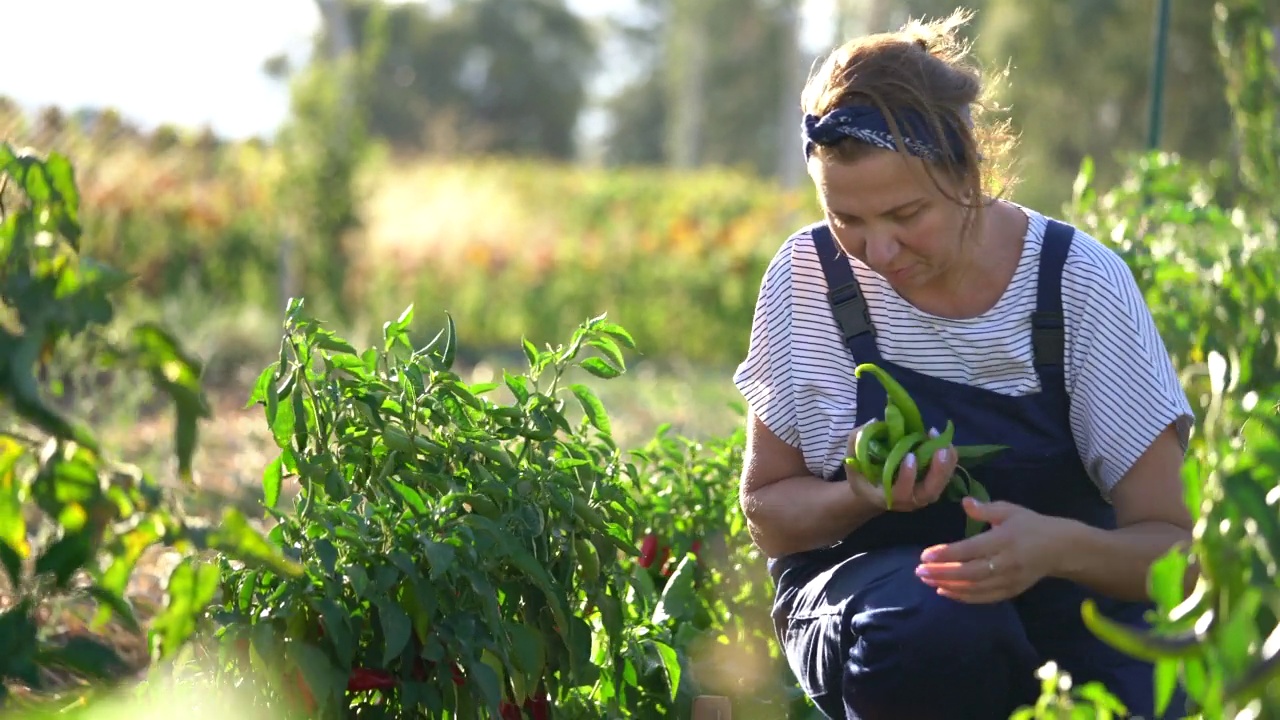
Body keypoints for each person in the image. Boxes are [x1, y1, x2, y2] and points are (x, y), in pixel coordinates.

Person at [733, 10, 1197, 720]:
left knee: (1146, 691)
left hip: (1067, 584)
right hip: (874, 604)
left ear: (968, 169)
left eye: (905, 214)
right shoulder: (807, 278)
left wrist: (1052, 548)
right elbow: (767, 513)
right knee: (936, 626)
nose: (877, 252)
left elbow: (1175, 552)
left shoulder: (1074, 284)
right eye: (846, 219)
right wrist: (860, 495)